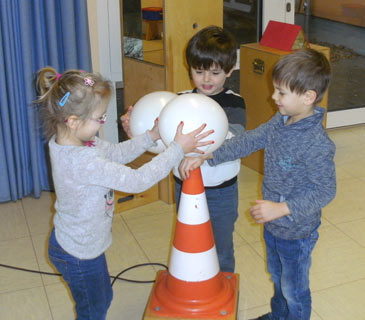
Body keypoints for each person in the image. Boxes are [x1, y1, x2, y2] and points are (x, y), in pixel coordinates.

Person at [36, 67, 213, 320]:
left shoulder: (78, 141)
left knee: (101, 298)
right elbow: (138, 180)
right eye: (99, 118)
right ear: (74, 121)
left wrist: (150, 136)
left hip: (82, 244)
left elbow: (117, 154)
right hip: (78, 253)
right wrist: (175, 150)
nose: (102, 123)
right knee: (93, 309)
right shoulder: (82, 161)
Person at [179, 48, 336, 320]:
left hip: (297, 232)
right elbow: (250, 140)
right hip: (274, 225)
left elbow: (325, 191)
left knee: (294, 289)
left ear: (308, 97)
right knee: (277, 277)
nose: (273, 97)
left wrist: (282, 208)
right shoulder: (282, 120)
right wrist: (211, 155)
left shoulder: (317, 144)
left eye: (281, 93)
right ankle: (278, 316)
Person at [122, 26, 246, 273]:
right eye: (199, 71)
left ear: (230, 70)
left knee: (220, 245)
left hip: (221, 191)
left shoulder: (234, 102)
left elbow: (237, 142)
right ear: (189, 68)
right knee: (190, 236)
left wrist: (203, 156)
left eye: (215, 72)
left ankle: (224, 286)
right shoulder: (176, 102)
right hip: (185, 186)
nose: (206, 79)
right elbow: (160, 141)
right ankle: (195, 280)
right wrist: (136, 132)